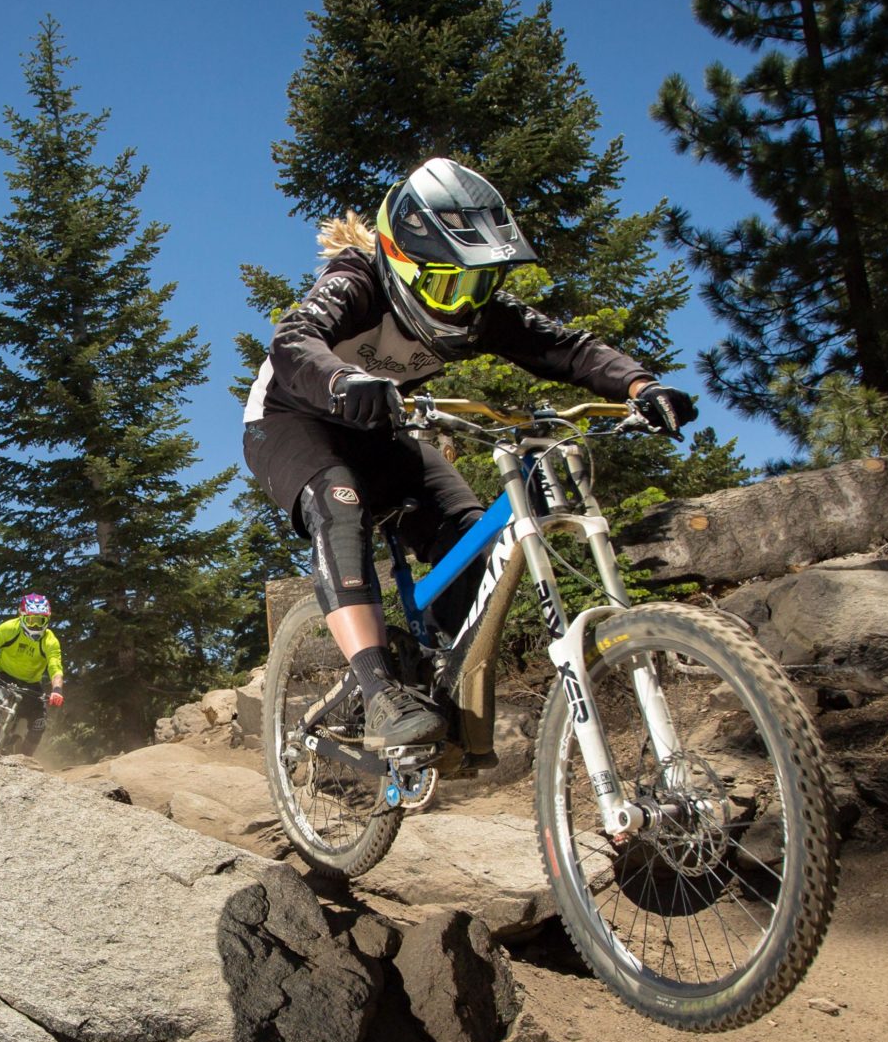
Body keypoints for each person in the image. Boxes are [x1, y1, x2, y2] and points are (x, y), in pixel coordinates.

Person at [242, 156, 697, 753]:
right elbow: (293, 339)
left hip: (377, 429)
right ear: (402, 264)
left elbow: (565, 348)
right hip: (290, 420)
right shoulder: (356, 281)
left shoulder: (475, 311)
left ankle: (429, 666)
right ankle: (380, 691)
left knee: (471, 533)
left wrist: (642, 387)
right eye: (447, 284)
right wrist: (341, 381)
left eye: (479, 282)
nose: (462, 305)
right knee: (338, 502)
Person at [0, 593, 67, 754]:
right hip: (5, 676)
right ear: (21, 616)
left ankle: (25, 760)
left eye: (41, 621)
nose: (35, 626)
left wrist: (57, 691)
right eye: (30, 620)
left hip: (31, 684)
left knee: (39, 723)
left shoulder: (50, 641)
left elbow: (55, 668)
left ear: (47, 620)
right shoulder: (8, 628)